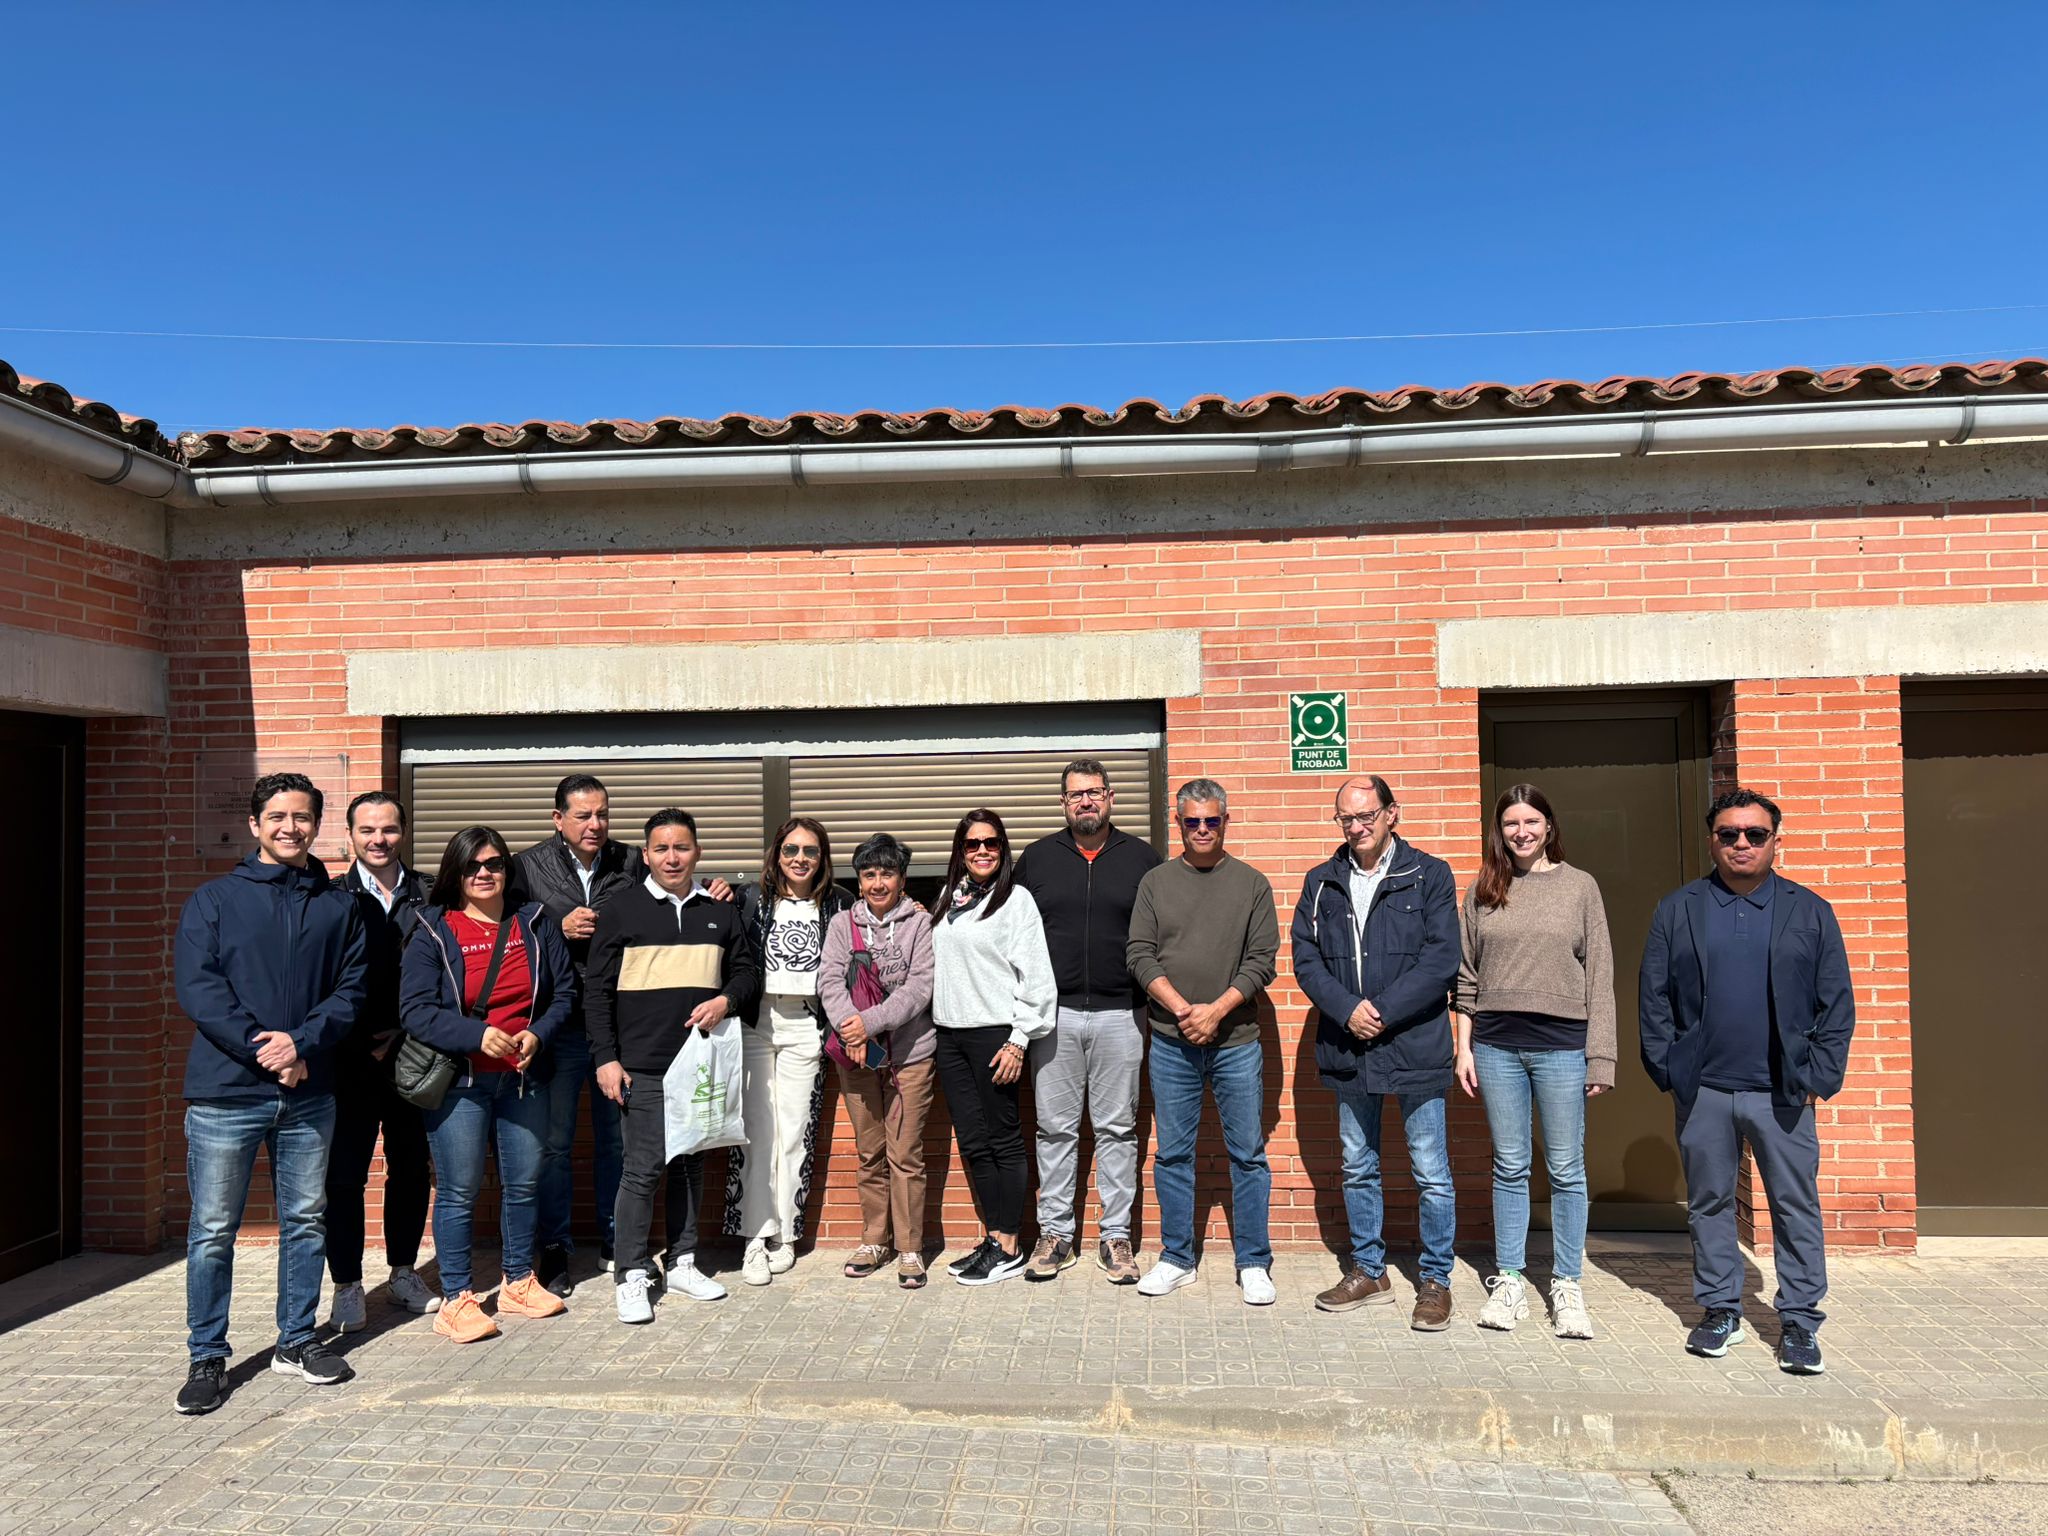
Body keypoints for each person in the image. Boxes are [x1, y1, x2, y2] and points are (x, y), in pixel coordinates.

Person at [1639, 787, 1855, 1375]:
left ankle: (1800, 1321)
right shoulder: (1678, 908)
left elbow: (1836, 1002)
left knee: (1794, 1205)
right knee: (1709, 1203)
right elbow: (1653, 997)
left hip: (1782, 1091)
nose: (1741, 843)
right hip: (1705, 1090)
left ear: (1774, 841)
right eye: (1729, 834)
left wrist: (1819, 1074)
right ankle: (1719, 1310)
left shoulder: (1809, 911)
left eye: (1754, 834)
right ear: (1712, 840)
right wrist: (1669, 1068)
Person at [172, 772, 368, 1415]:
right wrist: (268, 1048)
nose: (291, 828)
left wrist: (302, 1045)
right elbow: (200, 990)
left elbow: (353, 992)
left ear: (318, 825)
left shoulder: (340, 906)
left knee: (306, 1220)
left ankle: (296, 1340)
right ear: (256, 825)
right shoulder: (214, 900)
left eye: (303, 817)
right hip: (227, 1093)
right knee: (213, 1229)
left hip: (310, 1091)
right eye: (278, 817)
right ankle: (207, 1355)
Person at [1291, 773, 1461, 1329]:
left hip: (1413, 1044)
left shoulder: (1430, 875)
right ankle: (1369, 1270)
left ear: (1393, 814)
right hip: (1349, 1045)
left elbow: (1441, 959)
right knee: (1357, 1165)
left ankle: (1435, 1280)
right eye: (1347, 818)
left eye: (1367, 815)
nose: (1357, 827)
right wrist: (1347, 1009)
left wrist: (1381, 1010)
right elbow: (1306, 959)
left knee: (1430, 1170)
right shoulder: (1322, 882)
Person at [400, 826, 576, 1343]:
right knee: (458, 1190)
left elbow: (563, 994)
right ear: (455, 871)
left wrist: (537, 1035)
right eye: (473, 865)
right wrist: (479, 1034)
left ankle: (519, 1281)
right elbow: (415, 1010)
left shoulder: (535, 924)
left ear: (507, 869)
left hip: (524, 1080)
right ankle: (456, 1298)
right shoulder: (433, 929)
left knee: (523, 1185)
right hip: (460, 1083)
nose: (484, 873)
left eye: (495, 864)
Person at [1451, 784, 1615, 1340]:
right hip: (1496, 1046)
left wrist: (1602, 1057)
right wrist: (1463, 1047)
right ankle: (1511, 1280)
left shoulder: (1580, 887)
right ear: (1499, 831)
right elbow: (1466, 977)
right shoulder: (1483, 888)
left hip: (1563, 1048)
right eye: (1510, 824)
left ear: (1549, 826)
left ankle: (1567, 1285)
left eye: (1531, 822)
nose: (1521, 832)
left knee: (1567, 1169)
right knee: (1510, 1166)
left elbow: (1601, 977)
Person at [586, 809, 762, 1323]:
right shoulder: (620, 910)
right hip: (641, 1066)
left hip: (700, 1064)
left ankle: (682, 1261)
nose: (671, 857)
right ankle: (630, 1274)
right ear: (645, 855)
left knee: (689, 1164)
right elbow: (595, 992)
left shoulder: (720, 912)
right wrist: (606, 1059)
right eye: (660, 848)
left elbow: (748, 972)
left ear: (697, 853)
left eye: (681, 847)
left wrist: (725, 1001)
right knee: (642, 1170)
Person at [1128, 778, 1280, 1305]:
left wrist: (1215, 1012)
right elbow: (1140, 955)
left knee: (1247, 1154)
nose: (1201, 830)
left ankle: (1254, 1262)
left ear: (1225, 822)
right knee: (1172, 1154)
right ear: (1178, 824)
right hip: (1171, 1042)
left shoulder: (1252, 884)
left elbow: (1262, 960)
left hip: (1237, 1041)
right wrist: (1183, 1011)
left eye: (1211, 821)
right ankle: (1176, 1257)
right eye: (1191, 821)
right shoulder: (1155, 883)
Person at [1013, 757, 1161, 1284]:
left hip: (1123, 1013)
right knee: (1054, 1130)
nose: (1086, 801)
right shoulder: (1035, 860)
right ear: (1063, 802)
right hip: (1053, 1016)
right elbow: (1006, 931)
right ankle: (1055, 1236)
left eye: (1094, 792)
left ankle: (1116, 1238)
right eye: (1076, 794)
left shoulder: (1142, 859)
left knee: (1119, 1130)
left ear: (1111, 797)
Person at [512, 773, 642, 1297]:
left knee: (617, 1141)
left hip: (616, 1024)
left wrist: (721, 889)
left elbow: (672, 890)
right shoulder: (526, 866)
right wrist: (554, 928)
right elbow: (505, 926)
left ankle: (618, 1244)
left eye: (603, 813)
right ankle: (556, 1249)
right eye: (584, 815)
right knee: (556, 1144)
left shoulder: (630, 861)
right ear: (557, 818)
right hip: (560, 1023)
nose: (596, 824)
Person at [929, 810, 1058, 1287]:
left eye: (992, 843)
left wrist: (1019, 1040)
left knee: (1003, 1140)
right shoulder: (949, 898)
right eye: (972, 843)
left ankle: (1009, 1244)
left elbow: (1038, 979)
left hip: (994, 1036)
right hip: (950, 1036)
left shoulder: (1016, 901)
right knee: (974, 1142)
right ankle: (994, 1236)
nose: (982, 851)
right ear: (960, 851)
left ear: (1004, 850)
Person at [325, 791, 439, 1330]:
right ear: (350, 836)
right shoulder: (329, 897)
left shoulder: (432, 896)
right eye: (367, 830)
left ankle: (402, 1271)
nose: (378, 839)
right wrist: (356, 1041)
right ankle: (346, 1284)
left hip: (413, 1056)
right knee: (343, 1176)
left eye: (389, 829)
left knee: (411, 1169)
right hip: (346, 1060)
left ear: (403, 832)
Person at [725, 817, 853, 1286]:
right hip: (756, 1027)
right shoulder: (750, 900)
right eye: (791, 850)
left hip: (807, 1027)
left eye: (811, 851)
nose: (800, 859)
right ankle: (754, 1238)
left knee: (794, 1132)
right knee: (757, 1132)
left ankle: (786, 1232)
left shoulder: (839, 903)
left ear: (822, 858)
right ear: (776, 854)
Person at [817, 833, 938, 1288]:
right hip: (857, 1057)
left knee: (905, 1154)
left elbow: (920, 988)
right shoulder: (840, 925)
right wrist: (853, 1029)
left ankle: (909, 1247)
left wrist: (867, 1023)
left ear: (902, 879)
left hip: (910, 1057)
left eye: (887, 873)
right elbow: (829, 980)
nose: (878, 882)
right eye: (869, 874)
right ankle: (874, 1239)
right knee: (869, 1153)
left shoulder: (918, 925)